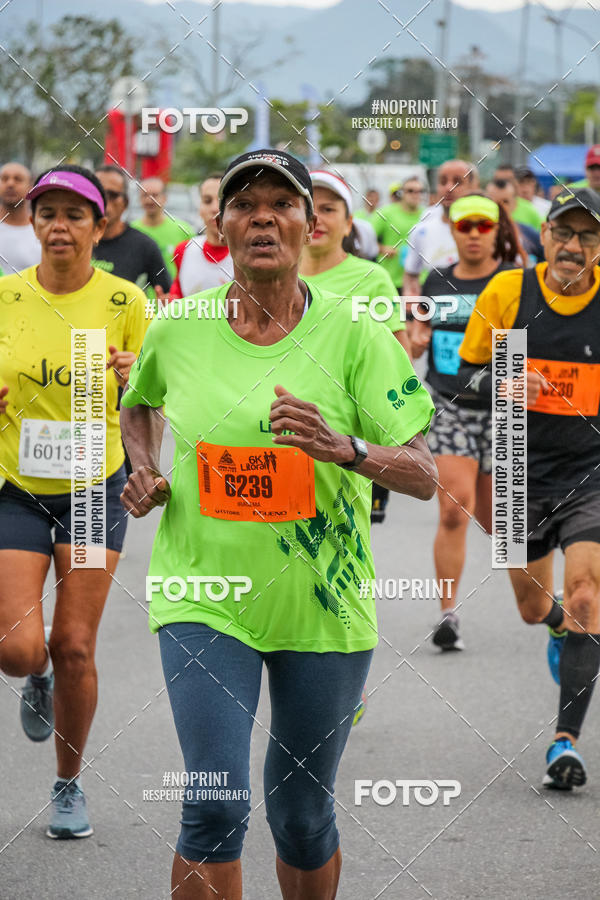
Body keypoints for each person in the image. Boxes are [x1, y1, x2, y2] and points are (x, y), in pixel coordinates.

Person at [120, 148, 436, 900]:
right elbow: (140, 400)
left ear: (311, 224)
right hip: (204, 596)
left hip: (322, 606)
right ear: (221, 229)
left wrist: (345, 448)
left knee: (299, 814)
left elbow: (424, 475)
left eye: (283, 203)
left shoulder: (357, 334)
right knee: (214, 803)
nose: (264, 215)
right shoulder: (179, 326)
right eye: (244, 204)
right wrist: (143, 463)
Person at [0, 164, 148, 837]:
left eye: (74, 214)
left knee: (76, 647)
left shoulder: (125, 304)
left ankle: (68, 783)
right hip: (18, 490)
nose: (59, 226)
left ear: (99, 225)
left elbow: (152, 400)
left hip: (94, 489)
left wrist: (135, 378)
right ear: (32, 224)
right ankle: (36, 678)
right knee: (21, 650)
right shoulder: (4, 296)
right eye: (47, 213)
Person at [457, 187, 600, 789]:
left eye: (587, 237)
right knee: (534, 607)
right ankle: (557, 629)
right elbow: (462, 375)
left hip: (590, 472)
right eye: (563, 234)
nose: (573, 247)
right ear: (544, 238)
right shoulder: (510, 293)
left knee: (588, 596)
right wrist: (502, 385)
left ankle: (564, 743)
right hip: (518, 468)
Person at [408, 195, 518, 650]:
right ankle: (447, 614)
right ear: (452, 230)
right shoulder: (437, 282)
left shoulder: (514, 283)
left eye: (482, 225)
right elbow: (421, 339)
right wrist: (415, 339)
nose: (473, 233)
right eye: (465, 224)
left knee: (500, 523)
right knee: (454, 510)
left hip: (503, 408)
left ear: (495, 230)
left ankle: (549, 600)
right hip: (449, 403)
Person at [403, 160, 478, 296]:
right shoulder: (421, 230)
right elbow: (411, 275)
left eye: (457, 182)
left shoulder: (487, 229)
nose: (448, 188)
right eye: (443, 182)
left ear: (474, 186)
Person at [93, 165, 171, 294]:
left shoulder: (144, 246)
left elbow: (166, 297)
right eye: (99, 194)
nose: (105, 202)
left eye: (112, 195)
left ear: (125, 202)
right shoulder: (73, 240)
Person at [169, 173, 233, 300]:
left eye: (222, 201)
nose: (215, 208)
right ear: (199, 208)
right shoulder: (184, 250)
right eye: (207, 201)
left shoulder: (250, 253)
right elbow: (178, 300)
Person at [132, 177, 195, 282]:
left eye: (155, 195)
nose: (149, 200)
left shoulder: (184, 230)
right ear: (139, 199)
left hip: (176, 297)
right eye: (145, 195)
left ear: (165, 198)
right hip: (140, 297)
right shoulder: (132, 231)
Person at [371, 177, 424, 291]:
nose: (416, 194)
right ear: (402, 193)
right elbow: (364, 239)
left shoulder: (427, 215)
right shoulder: (385, 213)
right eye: (411, 191)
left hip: (420, 281)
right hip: (391, 280)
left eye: (420, 191)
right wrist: (382, 248)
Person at [486, 177, 543, 265]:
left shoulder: (529, 235)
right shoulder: (477, 234)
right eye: (493, 202)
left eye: (505, 202)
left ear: (514, 204)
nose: (500, 207)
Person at [0, 162, 41, 273]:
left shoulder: (43, 229)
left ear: (30, 187)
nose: (10, 184)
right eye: (4, 179)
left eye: (18, 179)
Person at [492, 163, 543, 231]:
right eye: (498, 181)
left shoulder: (531, 210)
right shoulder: (486, 207)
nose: (503, 185)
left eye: (507, 180)